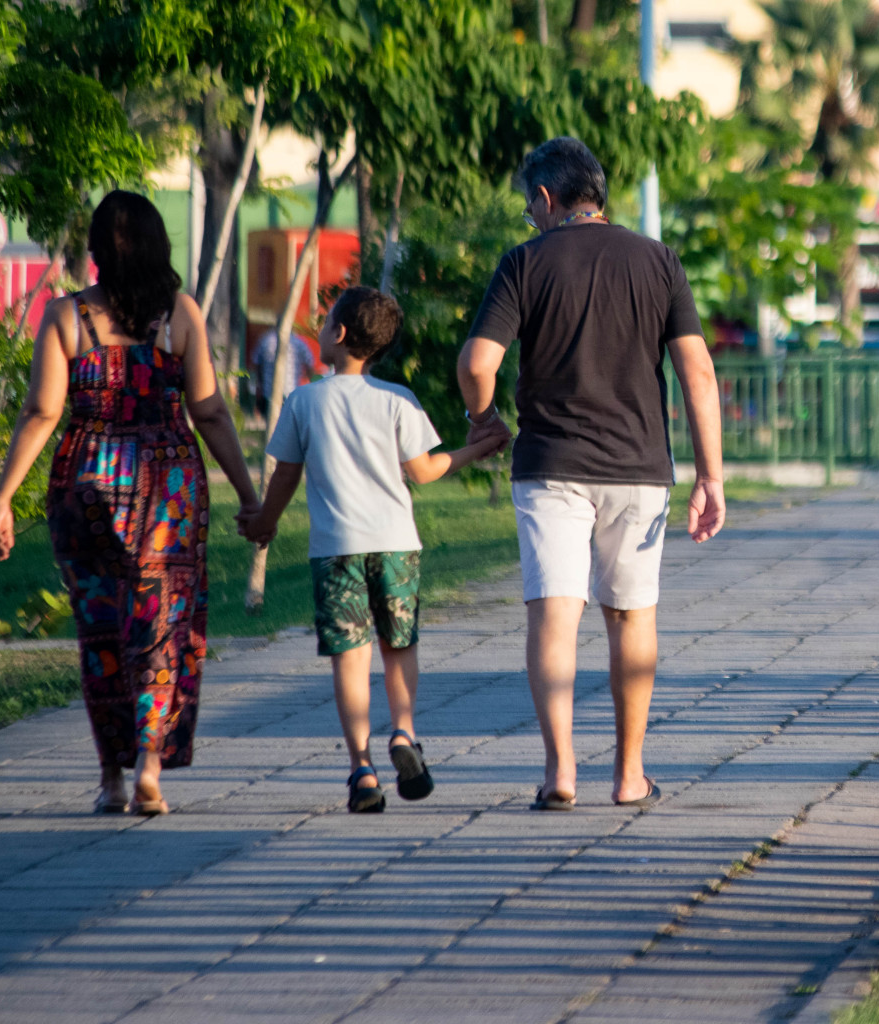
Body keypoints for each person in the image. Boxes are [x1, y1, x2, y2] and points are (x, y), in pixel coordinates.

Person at [457, 137, 726, 811]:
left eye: (529, 206)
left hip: (550, 467)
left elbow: (476, 363)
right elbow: (698, 372)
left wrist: (483, 418)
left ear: (547, 200)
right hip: (639, 469)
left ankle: (560, 772)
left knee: (555, 615)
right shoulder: (658, 260)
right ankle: (630, 775)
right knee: (631, 616)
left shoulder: (526, 263)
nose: (529, 217)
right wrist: (710, 477)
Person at [0, 191, 262, 816]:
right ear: (160, 246)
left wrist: (5, 498)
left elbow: (42, 412)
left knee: (101, 632)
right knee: (162, 629)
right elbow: (211, 412)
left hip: (84, 481)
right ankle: (150, 769)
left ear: (95, 254)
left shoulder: (66, 316)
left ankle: (110, 777)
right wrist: (249, 497)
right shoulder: (179, 314)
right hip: (166, 488)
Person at [240, 287, 506, 813]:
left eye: (324, 321)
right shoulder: (397, 400)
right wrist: (478, 447)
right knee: (399, 646)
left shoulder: (304, 401)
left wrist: (264, 523)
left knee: (350, 657)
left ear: (338, 335)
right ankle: (404, 734)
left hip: (336, 551)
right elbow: (425, 472)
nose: (319, 327)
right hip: (396, 547)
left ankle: (361, 768)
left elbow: (285, 476)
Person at [252, 327, 316, 421]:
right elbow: (310, 363)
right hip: (292, 392)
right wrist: (308, 381)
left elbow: (256, 364)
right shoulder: (299, 342)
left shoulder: (266, 340)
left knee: (271, 423)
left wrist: (260, 383)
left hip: (269, 392)